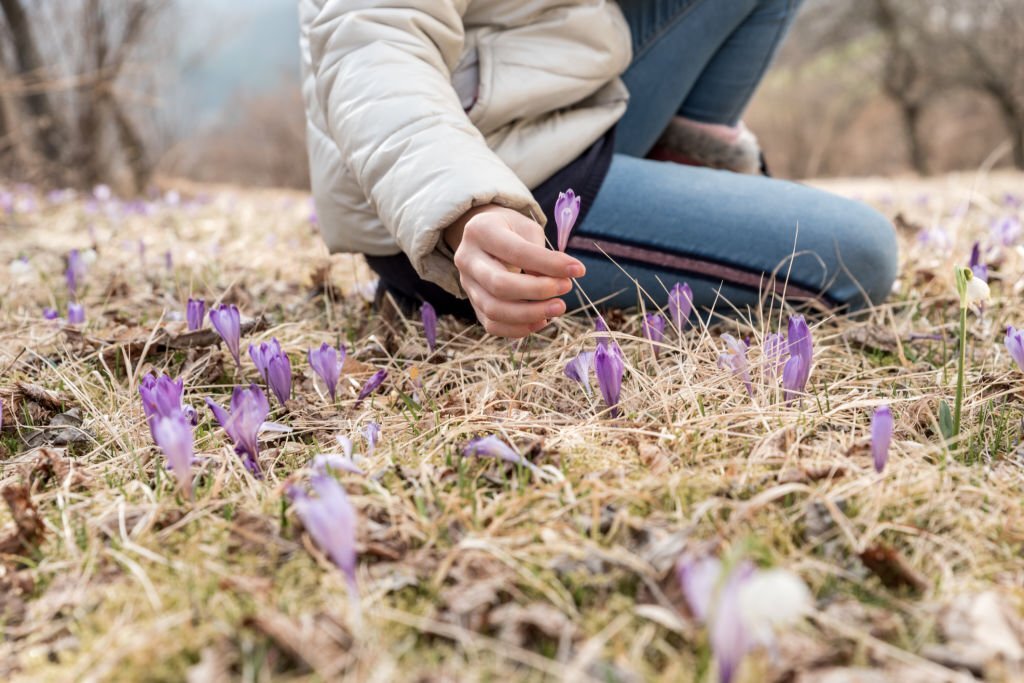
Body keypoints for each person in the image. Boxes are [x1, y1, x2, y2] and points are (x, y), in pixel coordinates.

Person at [300, 0, 898, 339]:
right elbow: (370, 46)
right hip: (472, 180)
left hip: (567, 94)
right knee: (855, 256)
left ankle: (672, 173)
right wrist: (466, 206)